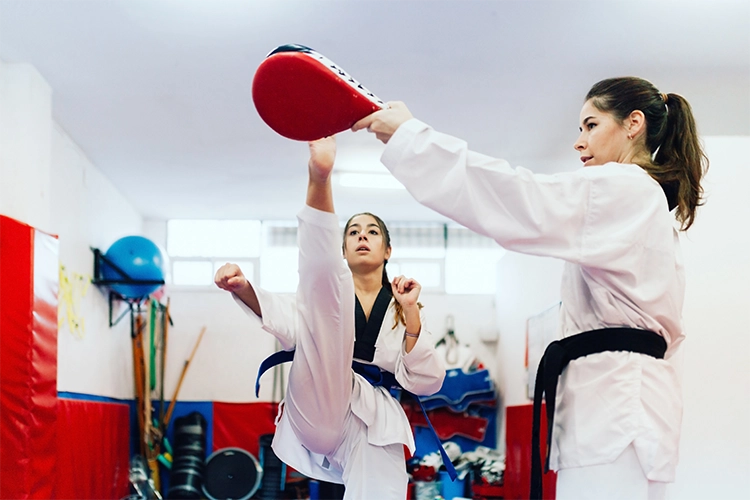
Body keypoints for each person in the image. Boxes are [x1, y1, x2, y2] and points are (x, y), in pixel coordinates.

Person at [352, 76, 708, 500]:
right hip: (632, 407)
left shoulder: (625, 187)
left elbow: (518, 198)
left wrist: (411, 138)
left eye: (591, 125)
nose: (580, 142)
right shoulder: (647, 203)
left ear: (633, 124)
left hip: (617, 410)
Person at [214, 137, 446, 500]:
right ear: (343, 248)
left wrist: (412, 308)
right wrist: (242, 287)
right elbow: (287, 318)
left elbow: (427, 381)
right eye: (353, 232)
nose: (362, 237)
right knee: (325, 294)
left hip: (375, 420)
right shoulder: (328, 292)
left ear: (387, 250)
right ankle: (319, 179)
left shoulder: (404, 305)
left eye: (372, 232)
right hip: (320, 400)